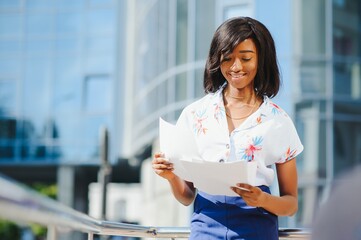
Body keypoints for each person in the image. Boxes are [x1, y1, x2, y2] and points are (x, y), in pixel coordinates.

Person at [152, 16, 304, 240]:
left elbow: (290, 204)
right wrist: (171, 177)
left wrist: (261, 200)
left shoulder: (278, 121)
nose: (236, 67)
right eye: (228, 58)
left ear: (261, 60)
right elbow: (187, 197)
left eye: (246, 58)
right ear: (217, 60)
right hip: (206, 225)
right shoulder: (194, 115)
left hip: (257, 227)